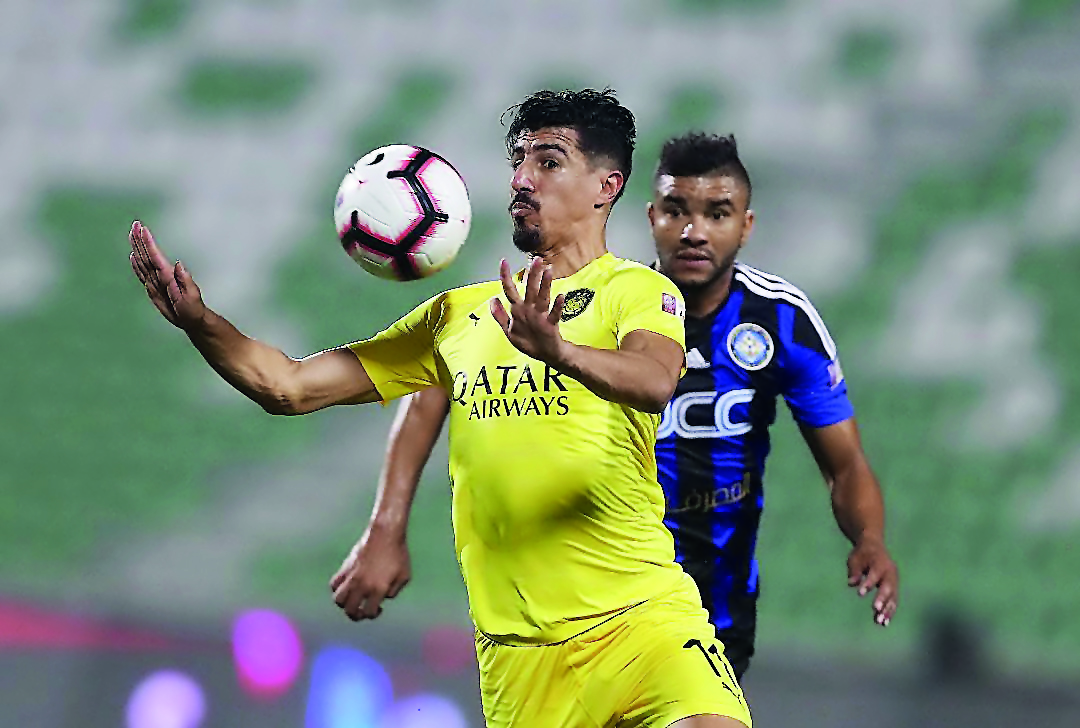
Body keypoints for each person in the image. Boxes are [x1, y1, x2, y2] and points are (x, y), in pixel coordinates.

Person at [129, 89, 752, 728]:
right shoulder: (460, 315)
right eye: (518, 161)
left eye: (548, 161)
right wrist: (200, 323)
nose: (520, 179)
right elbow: (287, 385)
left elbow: (653, 379)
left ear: (606, 185)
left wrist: (558, 350)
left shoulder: (637, 290)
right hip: (519, 664)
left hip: (642, 626)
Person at [332, 132, 899, 681]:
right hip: (594, 571)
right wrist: (388, 522)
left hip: (713, 581)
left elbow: (844, 462)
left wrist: (868, 538)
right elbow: (437, 387)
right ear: (650, 217)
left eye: (718, 213)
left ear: (747, 226)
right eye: (676, 210)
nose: (694, 231)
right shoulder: (594, 301)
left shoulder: (780, 321)